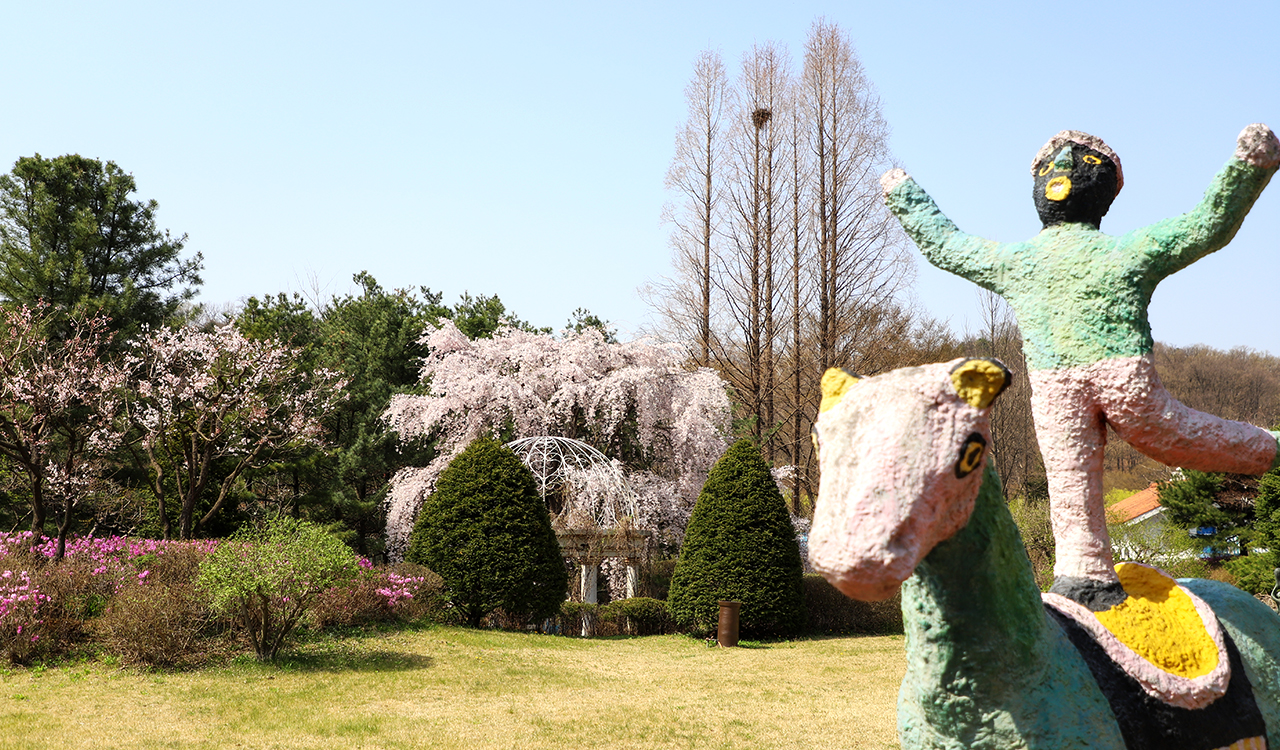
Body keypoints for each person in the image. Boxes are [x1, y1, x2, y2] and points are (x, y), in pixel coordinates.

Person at [880, 124, 1280, 610]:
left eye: (1081, 166)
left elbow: (1206, 225)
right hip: (1056, 387)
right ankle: (1082, 570)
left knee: (1166, 436)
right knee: (1079, 471)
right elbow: (1205, 225)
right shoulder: (1033, 260)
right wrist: (906, 197)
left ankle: (1267, 450)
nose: (1063, 174)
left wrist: (1248, 169)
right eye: (1051, 168)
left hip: (1105, 379)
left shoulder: (1057, 257)